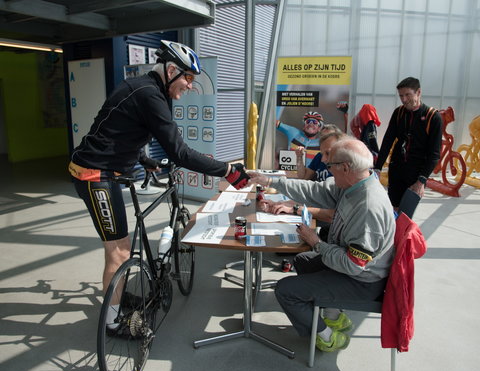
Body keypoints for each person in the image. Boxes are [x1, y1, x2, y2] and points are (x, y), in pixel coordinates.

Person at [68, 40, 249, 328]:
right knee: (119, 251)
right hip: (94, 175)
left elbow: (118, 129)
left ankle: (116, 296)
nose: (190, 86)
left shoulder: (149, 90)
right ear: (172, 70)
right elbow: (180, 152)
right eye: (188, 78)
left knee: (122, 246)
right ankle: (113, 324)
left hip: (108, 171)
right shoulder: (149, 94)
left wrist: (143, 158)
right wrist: (227, 169)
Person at [248, 138, 395, 352]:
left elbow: (353, 264)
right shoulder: (356, 184)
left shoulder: (368, 207)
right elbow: (316, 191)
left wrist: (316, 242)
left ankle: (327, 337)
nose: (328, 170)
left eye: (330, 165)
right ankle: (334, 316)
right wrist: (270, 181)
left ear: (345, 167)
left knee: (286, 290)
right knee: (302, 260)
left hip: (362, 281)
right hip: (356, 271)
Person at [374, 77, 442, 210]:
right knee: (392, 211)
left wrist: (421, 181)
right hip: (396, 169)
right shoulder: (399, 113)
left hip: (416, 173)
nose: (404, 99)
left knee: (406, 215)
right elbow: (387, 141)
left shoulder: (433, 117)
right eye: (401, 96)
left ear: (418, 92)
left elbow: (434, 154)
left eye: (407, 95)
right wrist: (378, 168)